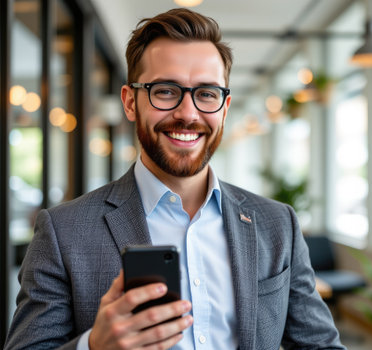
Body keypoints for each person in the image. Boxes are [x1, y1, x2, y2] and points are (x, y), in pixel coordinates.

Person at [4, 8, 346, 350]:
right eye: (166, 91)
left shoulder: (277, 224)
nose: (188, 113)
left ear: (225, 108)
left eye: (207, 93)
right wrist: (93, 346)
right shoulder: (63, 232)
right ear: (130, 102)